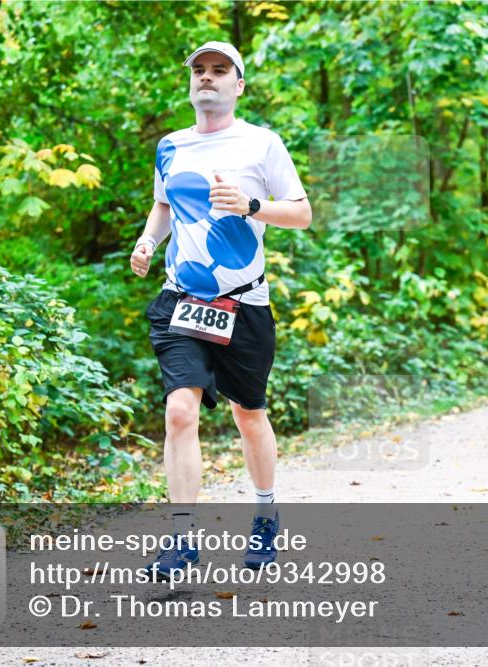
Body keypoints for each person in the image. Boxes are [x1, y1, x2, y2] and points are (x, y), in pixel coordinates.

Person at [129, 41, 311, 574]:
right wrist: (147, 242)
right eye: (200, 71)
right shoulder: (171, 146)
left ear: (239, 85)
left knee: (247, 414)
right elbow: (163, 206)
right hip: (181, 301)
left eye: (219, 71)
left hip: (245, 303)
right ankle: (182, 538)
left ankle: (264, 514)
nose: (207, 78)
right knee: (179, 411)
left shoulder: (261, 144)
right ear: (191, 83)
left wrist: (252, 206)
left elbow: (301, 214)